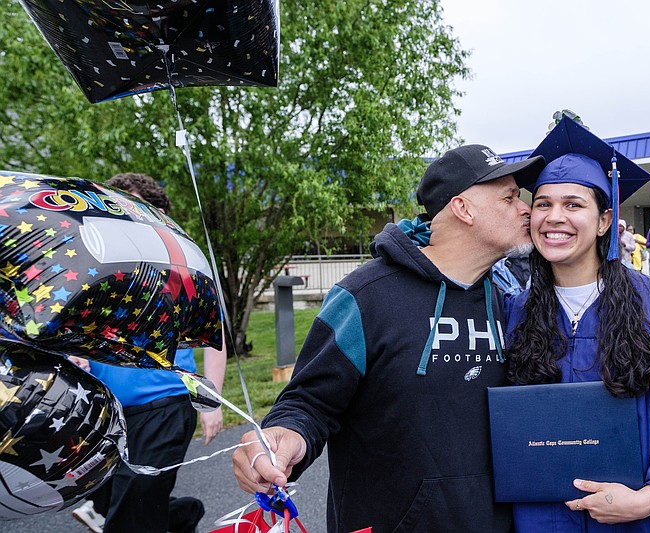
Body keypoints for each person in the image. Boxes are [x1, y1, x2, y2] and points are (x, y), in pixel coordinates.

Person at [231, 145, 545, 532]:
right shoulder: (365, 296)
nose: (526, 208)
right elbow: (309, 402)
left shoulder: (505, 300)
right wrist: (286, 434)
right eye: (510, 197)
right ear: (463, 209)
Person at [505, 116, 650, 532]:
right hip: (537, 520)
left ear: (604, 221)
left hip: (634, 520)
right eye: (543, 204)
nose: (554, 216)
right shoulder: (513, 312)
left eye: (573, 204)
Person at [70, 173, 227, 533]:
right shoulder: (101, 265)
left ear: (152, 213)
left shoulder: (181, 268)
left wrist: (212, 401)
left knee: (130, 512)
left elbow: (211, 337)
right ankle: (180, 515)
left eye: (126, 203)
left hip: (166, 405)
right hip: (111, 410)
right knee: (120, 496)